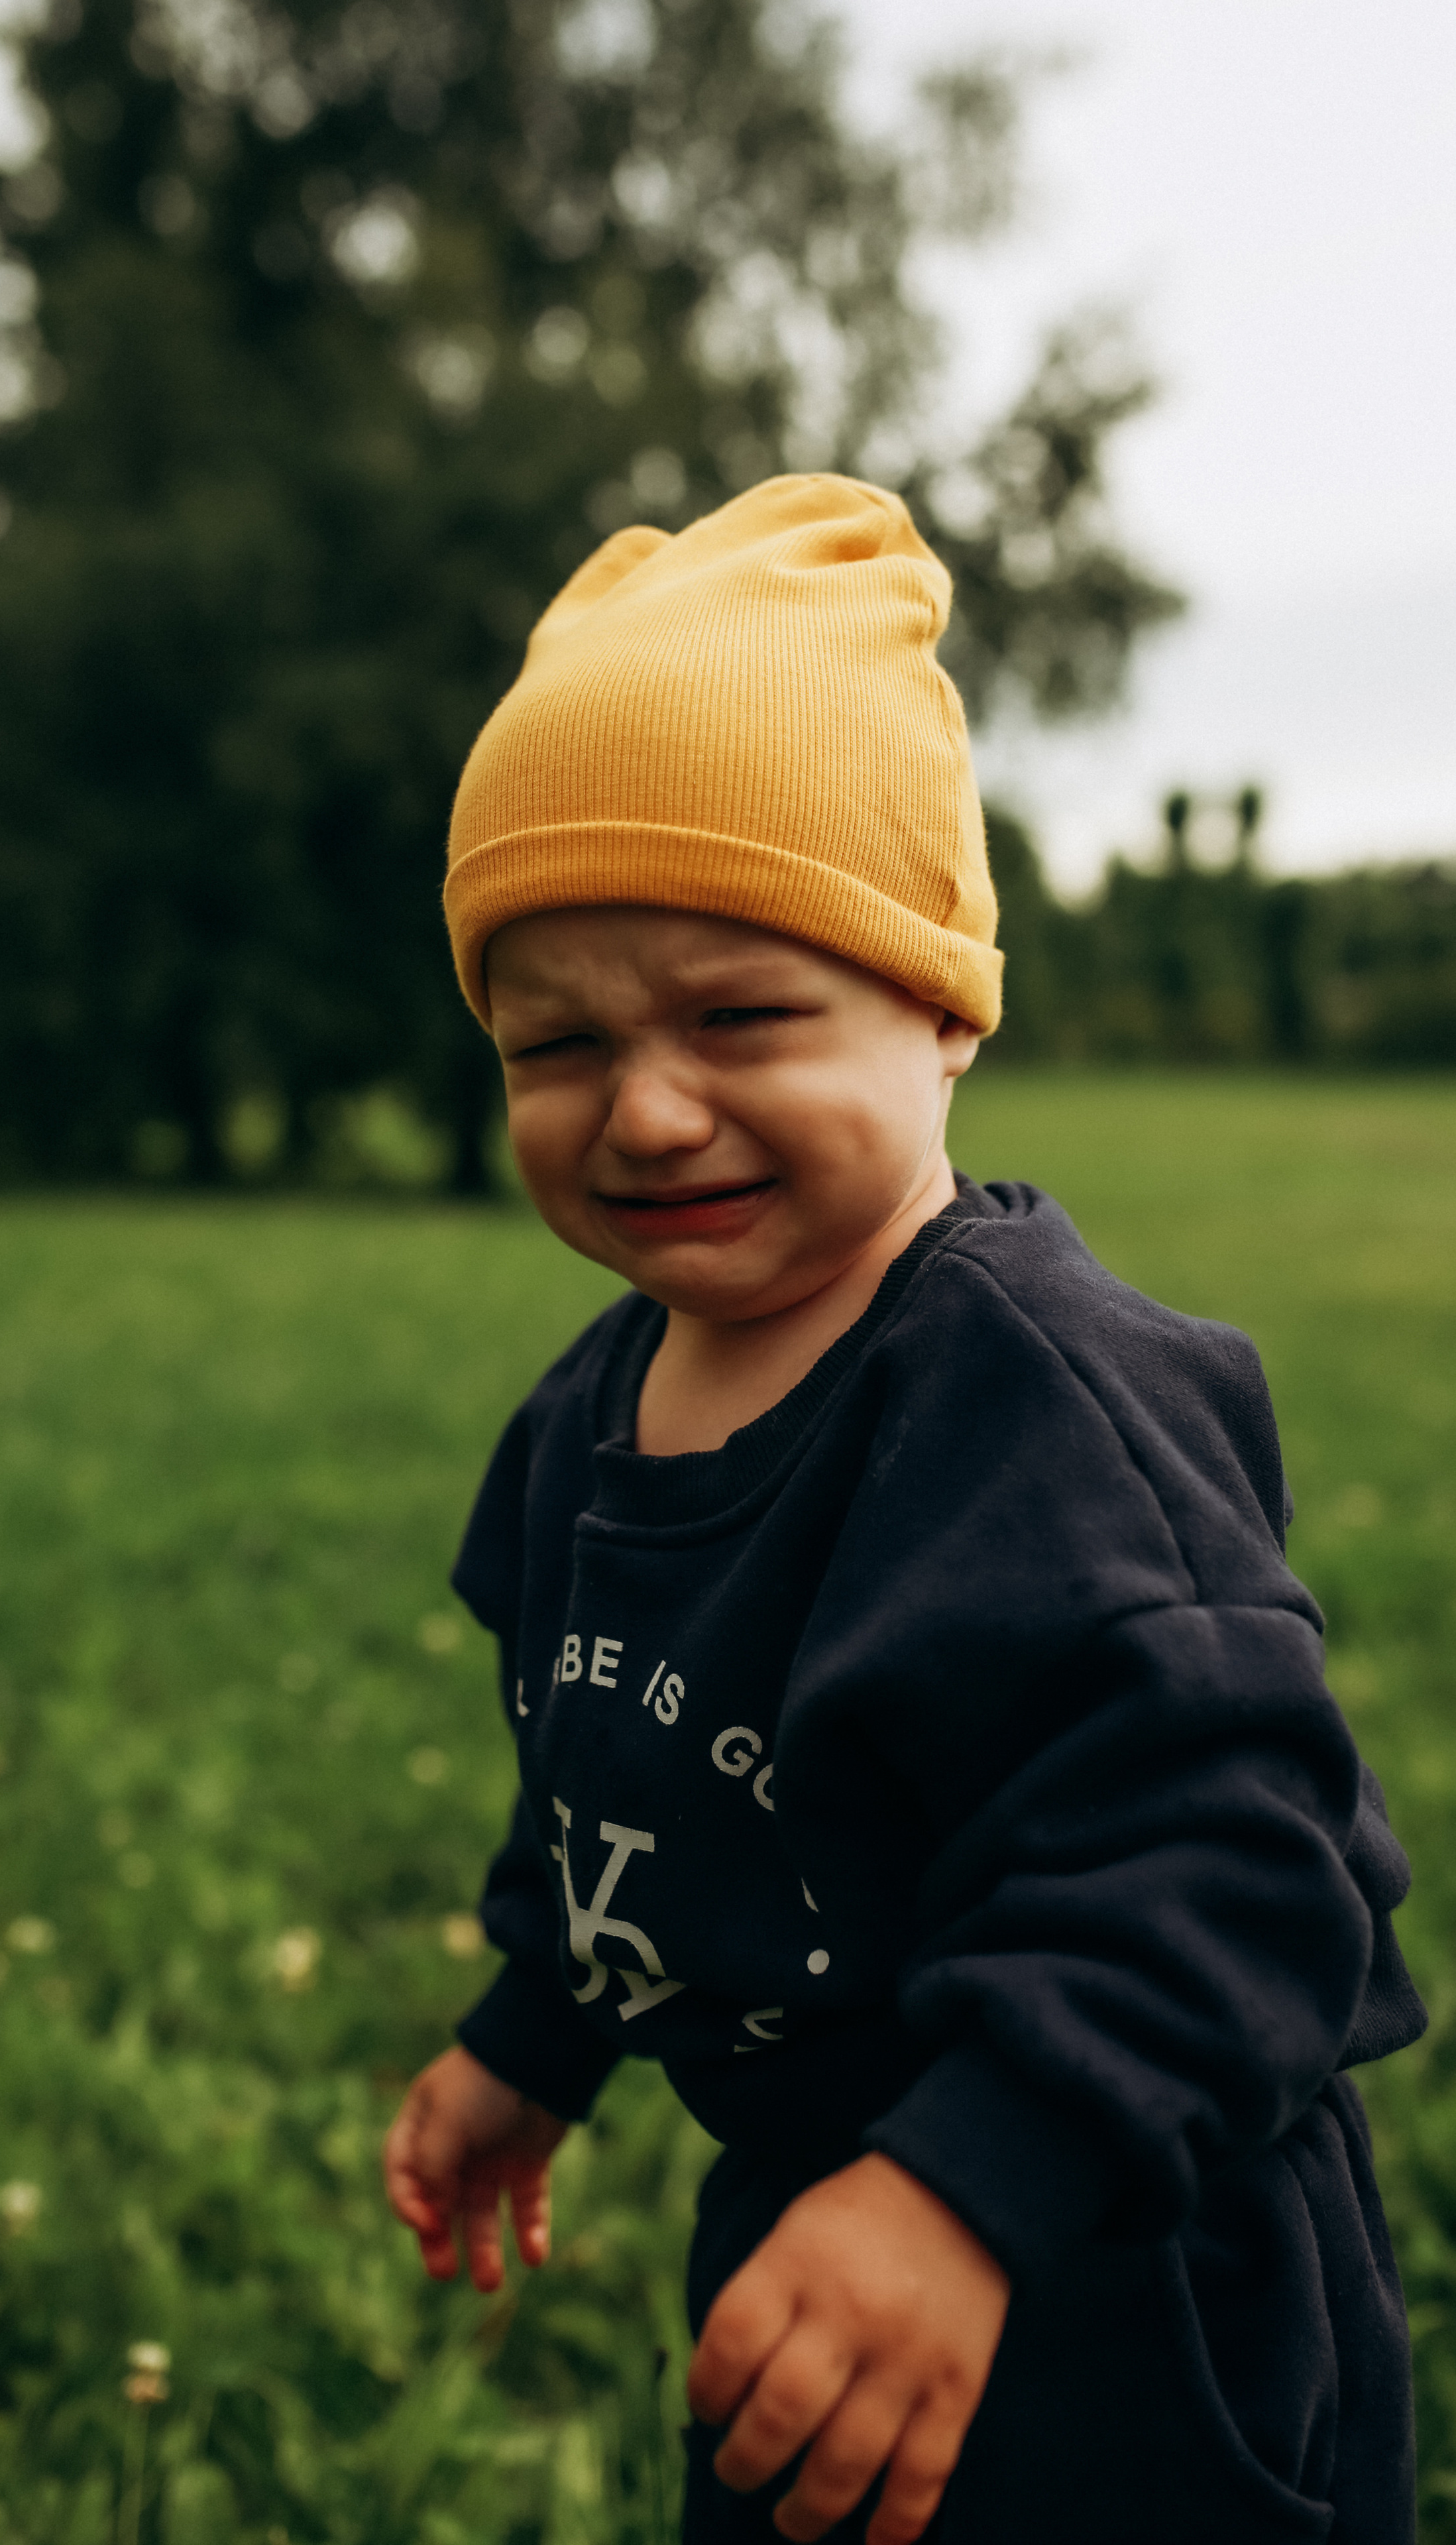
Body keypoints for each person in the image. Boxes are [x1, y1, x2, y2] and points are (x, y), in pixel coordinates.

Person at [382, 473, 1425, 2544]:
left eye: (740, 1016)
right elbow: (610, 1783)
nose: (645, 1107)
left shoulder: (1031, 1403)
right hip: (810, 2234)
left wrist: (964, 2189)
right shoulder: (590, 1420)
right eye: (555, 1041)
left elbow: (1246, 1865)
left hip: (1123, 2264)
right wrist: (533, 2034)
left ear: (943, 1006)